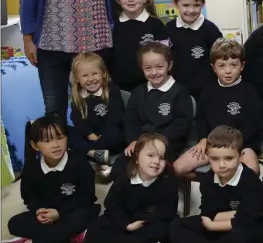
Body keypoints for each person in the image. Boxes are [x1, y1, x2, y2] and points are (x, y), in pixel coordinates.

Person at [174, 38, 263, 178]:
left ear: (242, 66)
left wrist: (235, 146)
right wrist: (203, 139)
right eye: (222, 66)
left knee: (253, 171)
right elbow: (201, 119)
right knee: (178, 168)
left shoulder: (250, 92)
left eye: (233, 65)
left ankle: (231, 186)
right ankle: (213, 183)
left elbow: (256, 125)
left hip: (241, 147)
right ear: (213, 68)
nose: (228, 71)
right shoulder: (208, 91)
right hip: (212, 146)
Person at [109, 40, 194, 181]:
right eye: (148, 68)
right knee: (122, 166)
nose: (154, 72)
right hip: (140, 144)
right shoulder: (138, 92)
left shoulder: (180, 92)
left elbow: (181, 125)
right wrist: (134, 140)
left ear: (169, 65)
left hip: (167, 145)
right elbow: (130, 120)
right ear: (141, 68)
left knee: (150, 167)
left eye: (159, 67)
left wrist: (154, 144)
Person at [7, 114, 100, 242]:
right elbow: (29, 197)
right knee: (14, 223)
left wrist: (59, 213)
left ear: (67, 138)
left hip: (74, 210)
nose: (56, 144)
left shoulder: (80, 164)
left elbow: (86, 197)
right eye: (47, 141)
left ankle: (50, 236)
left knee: (87, 216)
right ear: (35, 146)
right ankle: (63, 236)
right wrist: (39, 210)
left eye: (60, 138)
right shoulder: (31, 169)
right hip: (49, 213)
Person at [169, 126, 263, 243]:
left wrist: (212, 226)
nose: (221, 165)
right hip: (220, 225)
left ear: (240, 156)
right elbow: (208, 213)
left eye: (228, 158)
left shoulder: (251, 181)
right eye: (215, 159)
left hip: (244, 229)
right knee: (177, 226)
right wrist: (236, 214)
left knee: (243, 235)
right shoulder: (208, 179)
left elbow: (248, 219)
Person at [83, 133, 178, 243]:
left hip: (152, 223)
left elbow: (168, 212)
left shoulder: (168, 183)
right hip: (126, 220)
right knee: (97, 229)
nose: (156, 161)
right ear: (137, 158)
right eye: (151, 155)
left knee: (171, 229)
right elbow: (113, 206)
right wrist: (127, 225)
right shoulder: (123, 180)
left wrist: (144, 221)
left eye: (161, 158)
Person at [165, 0, 223, 100]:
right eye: (185, 5)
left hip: (207, 92)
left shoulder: (211, 30)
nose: (191, 10)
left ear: (203, 4)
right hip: (176, 91)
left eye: (196, 5)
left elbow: (221, 60)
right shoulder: (168, 29)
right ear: (175, 3)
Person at [109, 0, 169, 92]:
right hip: (120, 88)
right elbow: (109, 57)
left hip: (151, 87)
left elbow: (166, 56)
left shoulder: (156, 25)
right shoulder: (113, 25)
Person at [68, 52, 125, 170]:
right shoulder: (77, 96)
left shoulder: (112, 90)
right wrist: (90, 135)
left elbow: (116, 117)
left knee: (118, 133)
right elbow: (77, 119)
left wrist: (100, 138)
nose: (91, 79)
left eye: (95, 74)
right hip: (89, 136)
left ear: (103, 73)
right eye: (85, 76)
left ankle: (89, 152)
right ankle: (95, 154)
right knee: (65, 131)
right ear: (77, 78)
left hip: (110, 137)